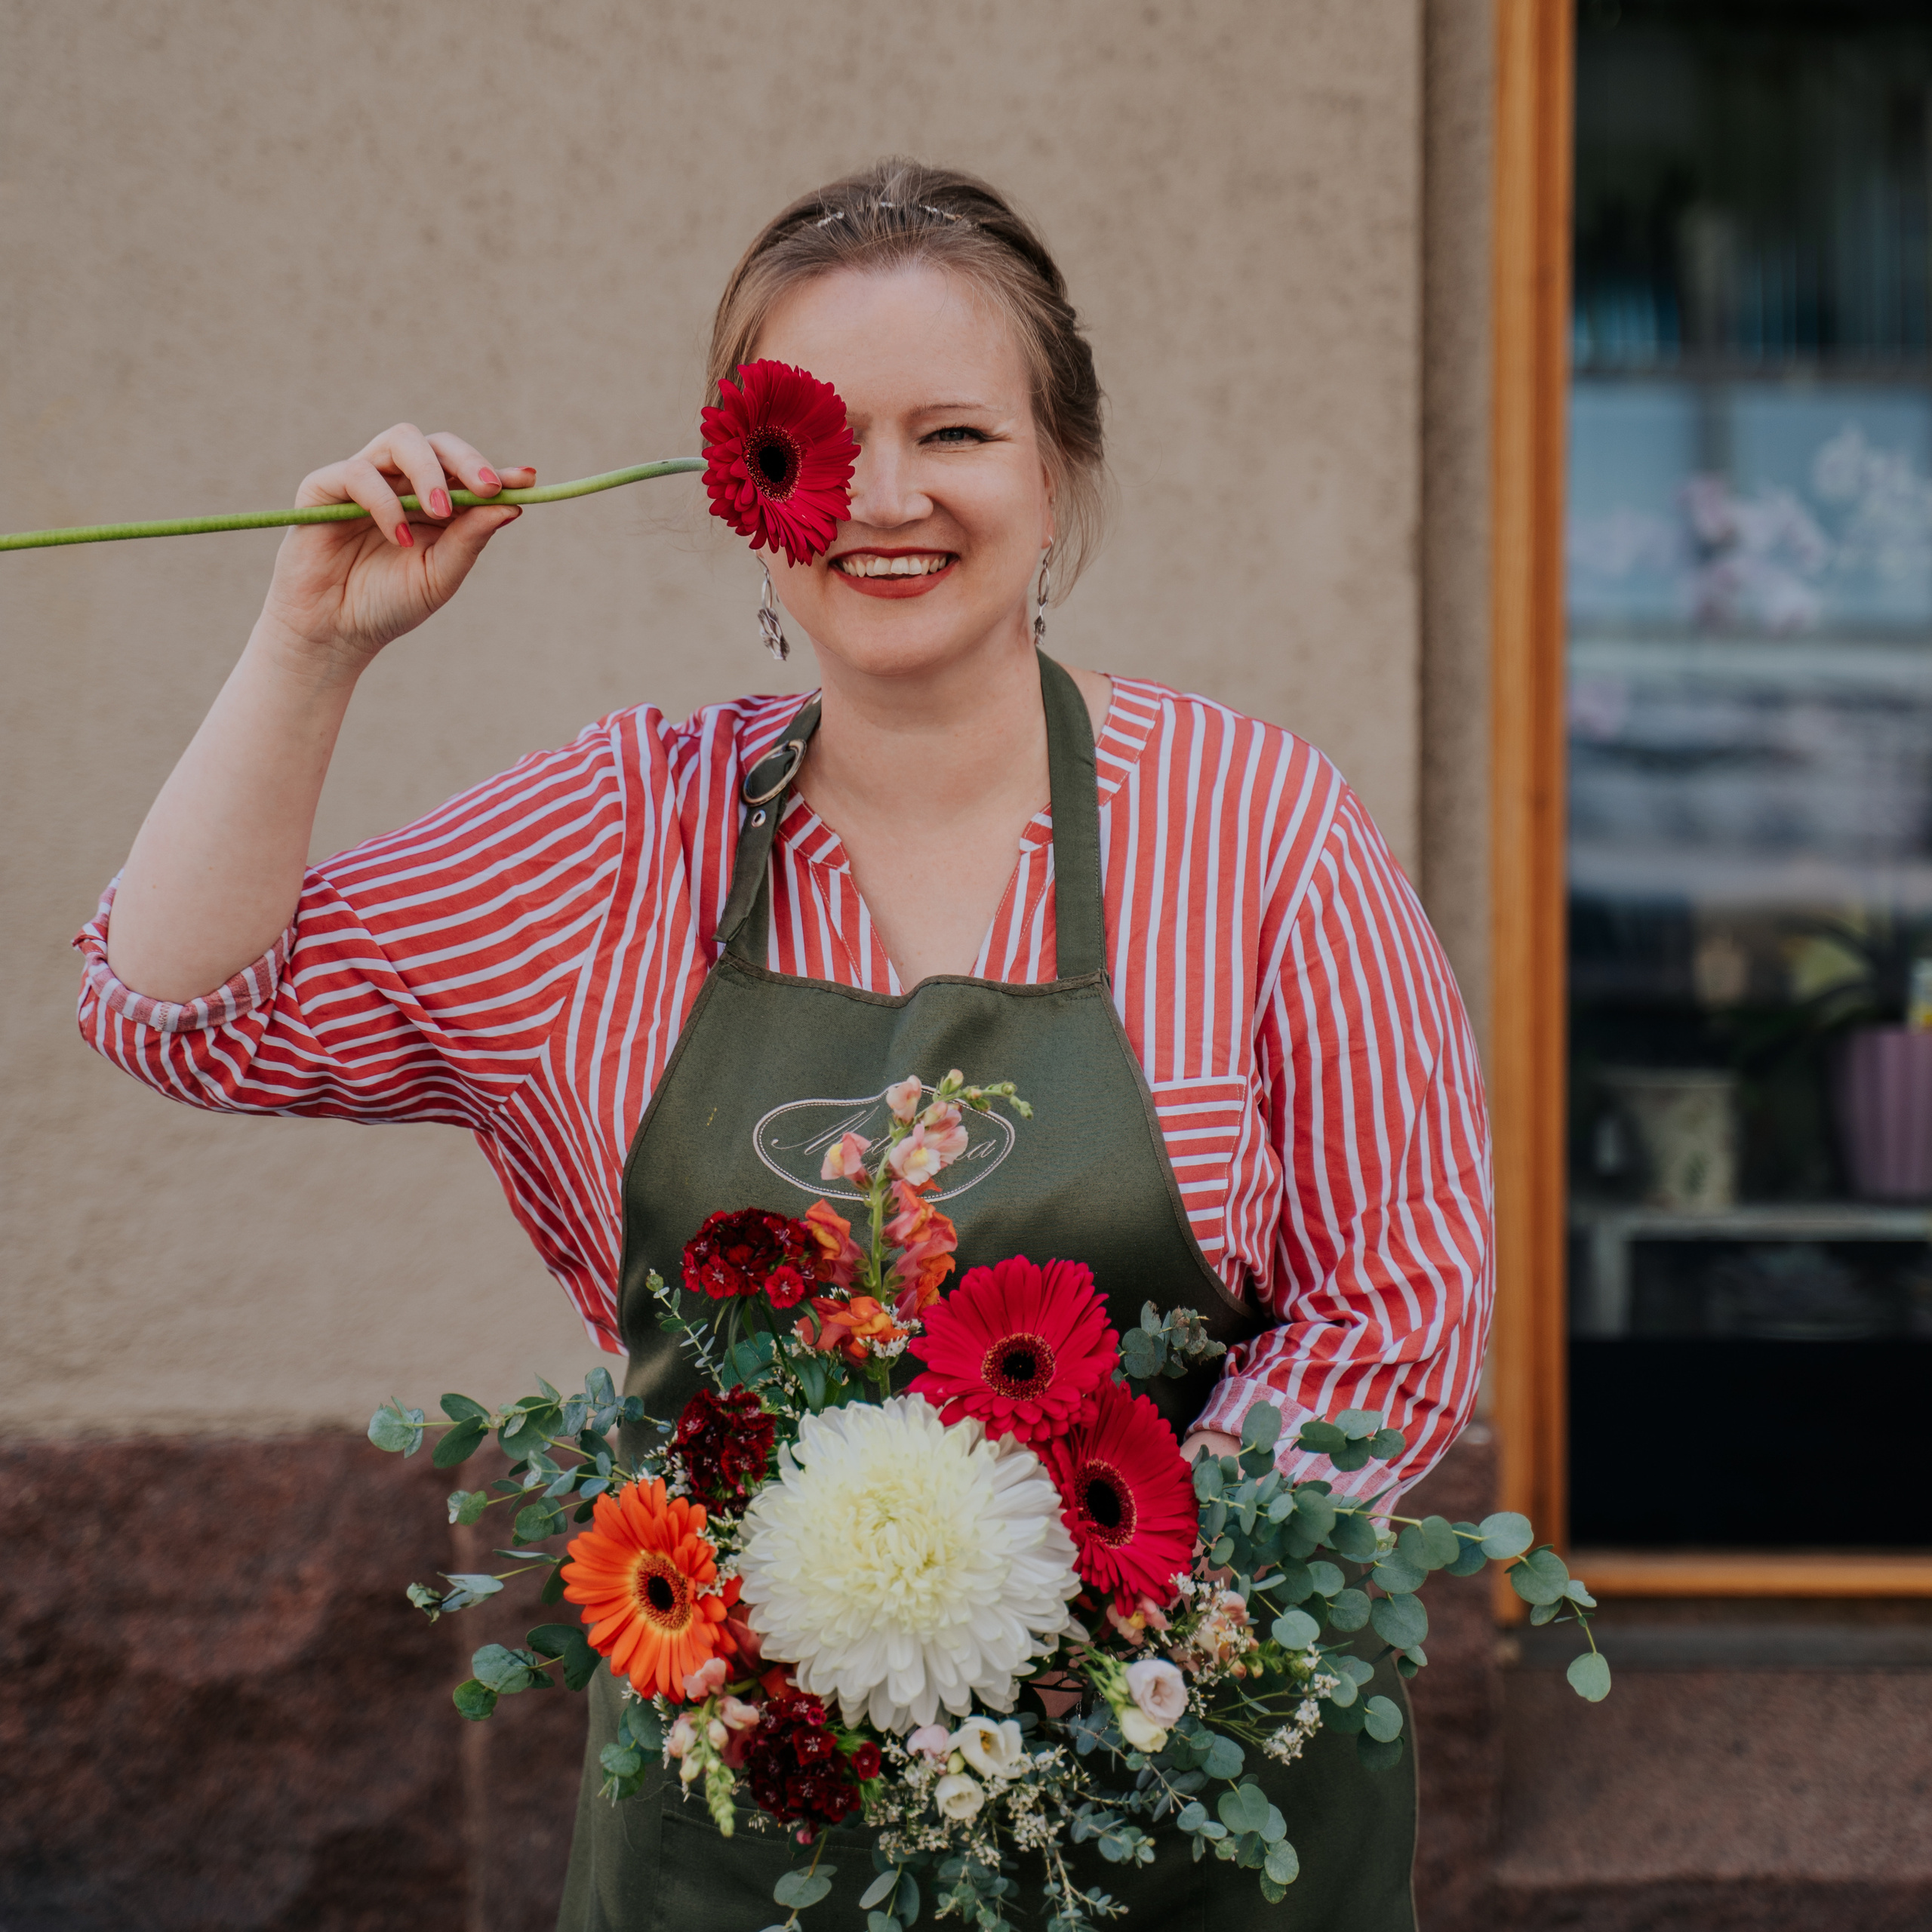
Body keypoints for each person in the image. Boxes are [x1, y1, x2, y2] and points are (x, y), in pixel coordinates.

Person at [78, 159, 1491, 1931]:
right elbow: (181, 1015)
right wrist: (310, 641)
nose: (885, 499)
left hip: (1187, 1803)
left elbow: (1402, 1295)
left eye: (957, 432)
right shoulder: (615, 835)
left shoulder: (1250, 821)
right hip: (740, 1832)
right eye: (823, 438)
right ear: (741, 485)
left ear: (1057, 470)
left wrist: (1098, 1606)